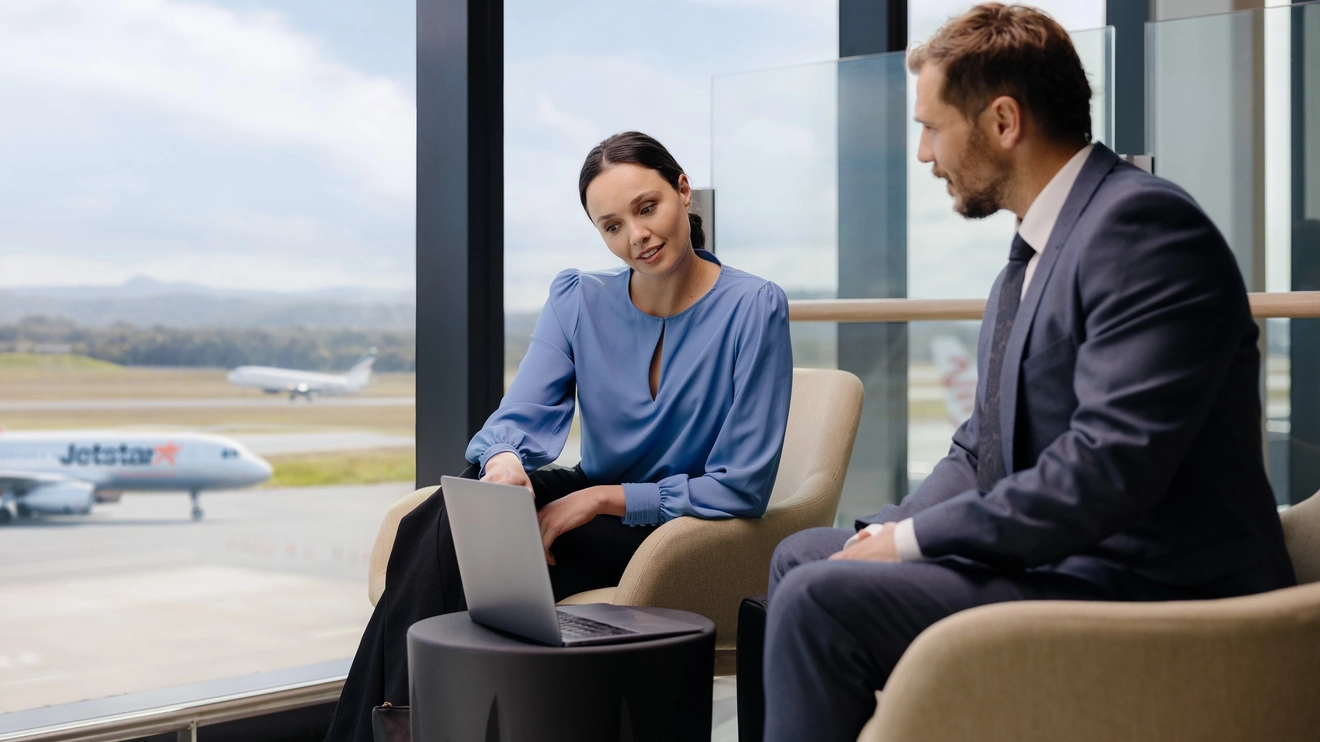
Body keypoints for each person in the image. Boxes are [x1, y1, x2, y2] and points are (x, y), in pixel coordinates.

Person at [761, 5, 1297, 741]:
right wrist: (894, 529)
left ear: (1003, 121)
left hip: (1153, 590)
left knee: (820, 603)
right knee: (804, 556)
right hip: (1075, 561)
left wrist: (913, 544)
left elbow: (1105, 470)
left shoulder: (1141, 230)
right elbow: (981, 443)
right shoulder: (1041, 248)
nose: (923, 154)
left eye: (931, 126)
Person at [325, 131, 793, 741]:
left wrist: (602, 499)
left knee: (441, 547)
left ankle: (386, 733)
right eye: (612, 225)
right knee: (445, 517)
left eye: (646, 208)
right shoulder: (580, 299)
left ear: (683, 191)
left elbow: (742, 485)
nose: (636, 237)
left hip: (674, 525)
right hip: (589, 497)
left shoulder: (754, 306)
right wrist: (503, 466)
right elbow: (518, 418)